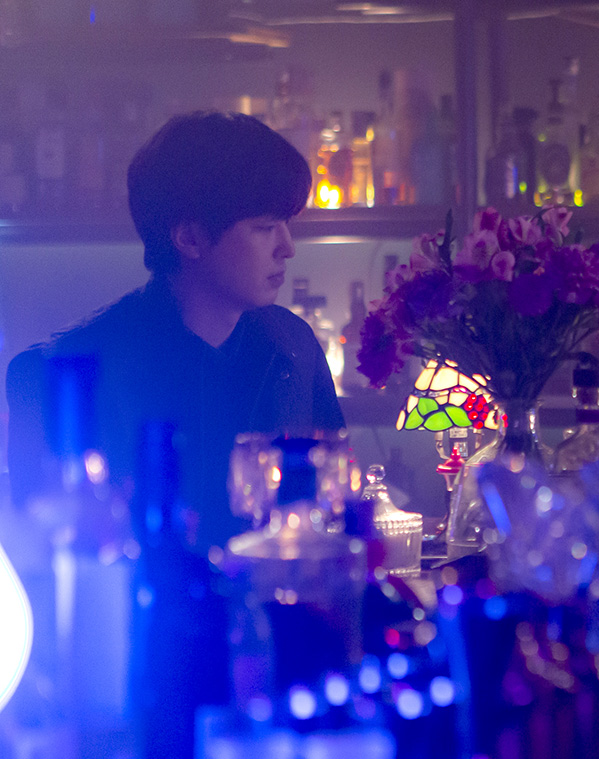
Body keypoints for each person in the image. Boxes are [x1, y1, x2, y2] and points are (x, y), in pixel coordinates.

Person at [5, 111, 344, 758]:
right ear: (190, 236)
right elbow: (40, 571)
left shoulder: (292, 347)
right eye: (264, 226)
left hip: (279, 670)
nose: (288, 247)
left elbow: (332, 509)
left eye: (287, 224)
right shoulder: (66, 374)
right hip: (132, 680)